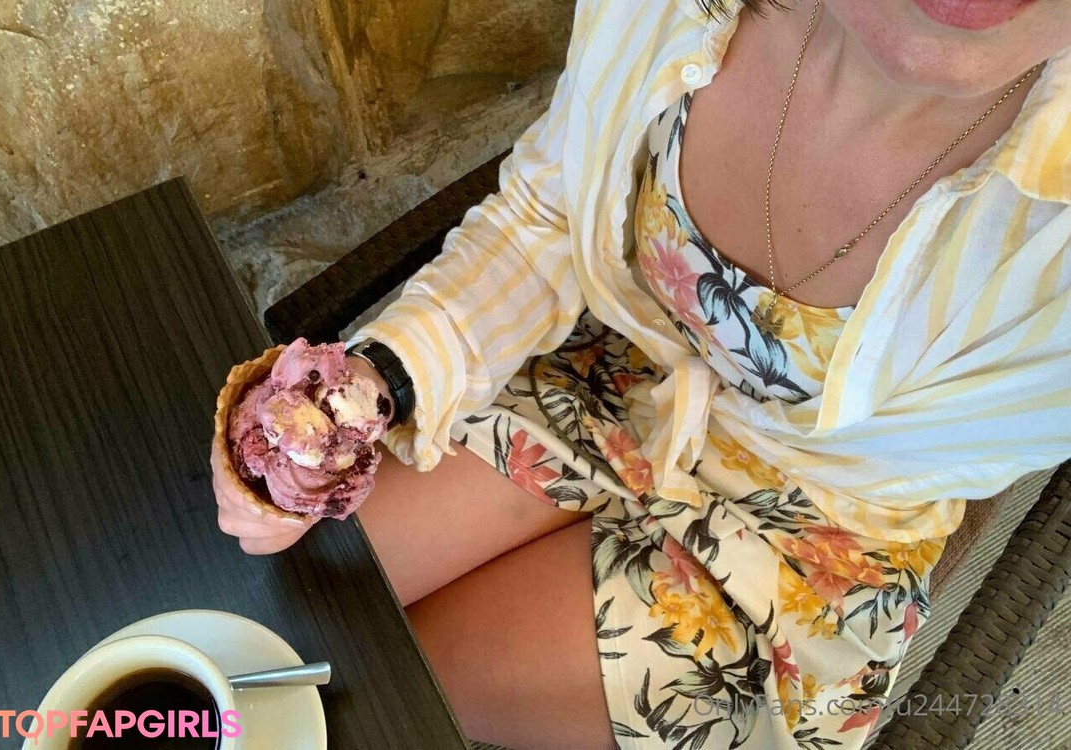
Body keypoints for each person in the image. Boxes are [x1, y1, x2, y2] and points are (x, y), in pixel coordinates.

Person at [213, 0, 1071, 747]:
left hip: (819, 533)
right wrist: (379, 380)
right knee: (257, 628)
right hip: (603, 363)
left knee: (358, 698)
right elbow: (547, 214)